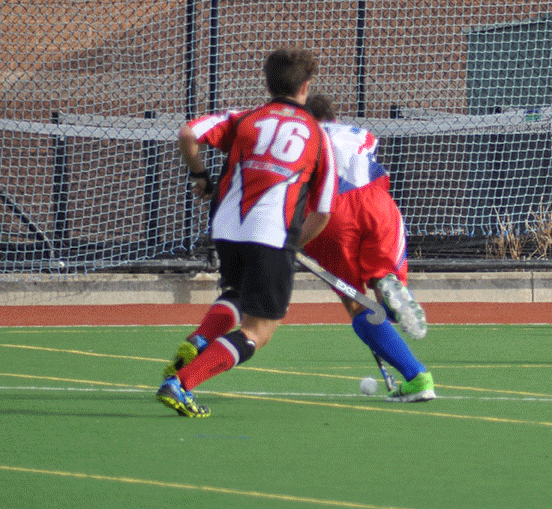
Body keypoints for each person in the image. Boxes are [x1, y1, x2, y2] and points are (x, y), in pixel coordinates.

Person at [157, 48, 337, 417]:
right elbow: (322, 212)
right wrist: (294, 245)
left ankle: (200, 338)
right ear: (306, 86)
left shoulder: (243, 118)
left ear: (268, 83)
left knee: (236, 294)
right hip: (272, 232)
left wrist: (199, 175)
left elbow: (188, 133)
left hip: (225, 225)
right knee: (259, 331)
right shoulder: (319, 136)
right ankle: (181, 383)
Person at [304, 94, 434, 402]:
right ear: (333, 116)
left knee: (357, 305)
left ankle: (418, 376)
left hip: (332, 212)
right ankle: (389, 294)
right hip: (379, 206)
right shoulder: (361, 134)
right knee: (381, 280)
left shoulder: (303, 138)